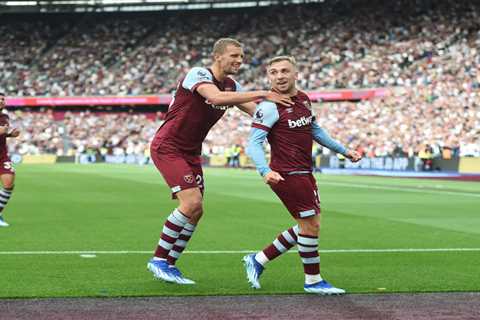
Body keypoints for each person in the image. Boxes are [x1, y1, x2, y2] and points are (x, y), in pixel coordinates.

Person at [147, 38, 293, 284]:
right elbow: (215, 98)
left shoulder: (232, 85)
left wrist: (289, 123)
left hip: (191, 152)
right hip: (168, 146)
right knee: (191, 203)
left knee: (196, 211)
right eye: (234, 56)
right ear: (218, 57)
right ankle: (159, 260)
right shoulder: (198, 74)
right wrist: (263, 92)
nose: (239, 61)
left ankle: (170, 265)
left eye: (242, 57)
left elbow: (255, 111)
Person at [243, 56, 361, 295]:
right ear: (269, 77)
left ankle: (258, 260)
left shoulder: (304, 99)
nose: (279, 76)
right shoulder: (268, 107)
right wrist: (265, 170)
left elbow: (315, 130)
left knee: (309, 224)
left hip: (305, 172)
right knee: (310, 226)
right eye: (274, 72)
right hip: (286, 174)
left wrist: (345, 151)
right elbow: (253, 144)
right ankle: (313, 281)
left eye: (284, 71)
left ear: (296, 73)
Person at [0, 92, 20, 227]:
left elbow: (2, 132)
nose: (2, 101)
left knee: (8, 183)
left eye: (3, 99)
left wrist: (9, 135)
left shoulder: (5, 116)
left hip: (2, 155)